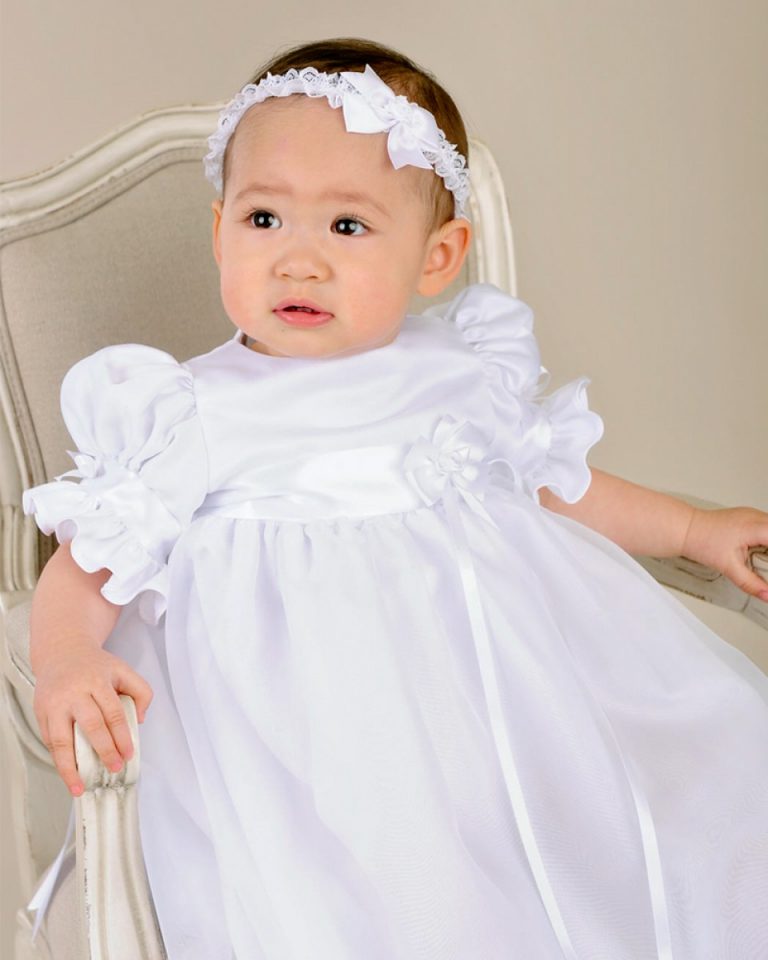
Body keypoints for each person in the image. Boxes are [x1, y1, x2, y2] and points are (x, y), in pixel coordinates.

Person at [21, 36, 768, 960]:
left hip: (492, 693)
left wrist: (691, 527)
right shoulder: (188, 413)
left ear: (437, 257)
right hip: (311, 739)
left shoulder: (459, 371)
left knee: (661, 799)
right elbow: (89, 562)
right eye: (264, 219)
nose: (298, 261)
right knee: (400, 898)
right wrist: (66, 656)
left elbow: (550, 483)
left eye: (347, 227)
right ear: (219, 231)